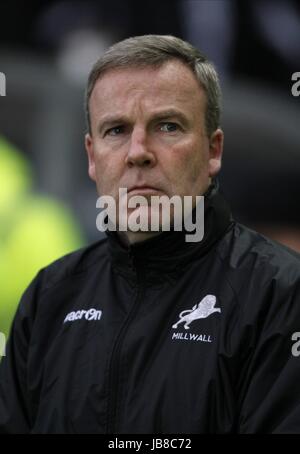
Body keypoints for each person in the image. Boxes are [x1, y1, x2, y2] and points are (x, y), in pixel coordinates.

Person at [1, 35, 300, 434]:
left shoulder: (279, 293)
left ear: (214, 151)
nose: (138, 151)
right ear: (92, 158)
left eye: (167, 126)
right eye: (116, 130)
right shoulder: (49, 297)